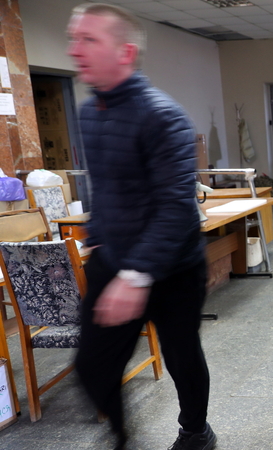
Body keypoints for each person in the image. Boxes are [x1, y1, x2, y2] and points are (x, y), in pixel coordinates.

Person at [67, 4, 215, 450]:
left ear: (125, 52)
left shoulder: (163, 116)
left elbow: (176, 208)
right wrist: (99, 244)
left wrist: (136, 276)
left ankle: (196, 432)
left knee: (181, 355)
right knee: (92, 366)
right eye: (73, 39)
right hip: (115, 257)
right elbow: (105, 187)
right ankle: (121, 438)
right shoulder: (89, 113)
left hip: (174, 267)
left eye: (88, 40)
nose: (75, 50)